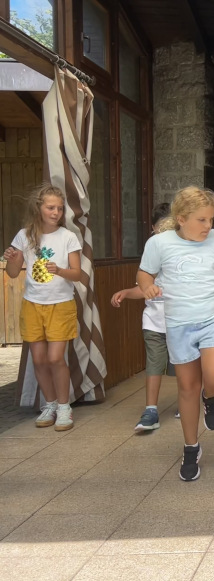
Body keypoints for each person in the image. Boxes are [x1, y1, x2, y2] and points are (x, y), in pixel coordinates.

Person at [138, 186, 214, 481]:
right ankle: (191, 448)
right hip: (178, 323)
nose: (208, 226)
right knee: (186, 388)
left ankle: (211, 397)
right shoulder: (159, 244)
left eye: (211, 219)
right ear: (182, 218)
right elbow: (144, 273)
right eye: (201, 220)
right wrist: (147, 285)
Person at [3, 184, 82, 431]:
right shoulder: (24, 236)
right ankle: (49, 405)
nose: (56, 212)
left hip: (61, 305)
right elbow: (13, 273)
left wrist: (59, 270)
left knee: (55, 357)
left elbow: (78, 273)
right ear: (39, 208)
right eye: (50, 207)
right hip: (33, 305)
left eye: (59, 208)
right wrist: (13, 260)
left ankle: (64, 406)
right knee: (38, 359)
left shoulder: (68, 237)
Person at [111, 202, 179, 432]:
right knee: (154, 364)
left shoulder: (181, 256)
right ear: (153, 229)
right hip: (154, 323)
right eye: (162, 229)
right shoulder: (151, 257)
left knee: (183, 364)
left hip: (180, 322)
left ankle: (186, 401)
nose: (165, 235)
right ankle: (150, 409)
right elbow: (142, 287)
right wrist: (126, 293)